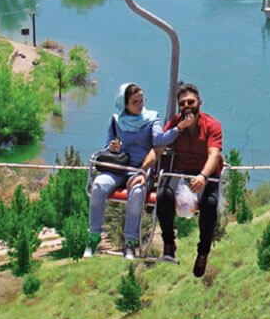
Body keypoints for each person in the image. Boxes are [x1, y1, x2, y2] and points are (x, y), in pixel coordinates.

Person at [87, 83, 170, 260]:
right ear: (125, 104)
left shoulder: (151, 119)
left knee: (137, 191)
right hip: (119, 167)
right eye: (135, 102)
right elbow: (107, 147)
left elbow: (159, 141)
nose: (140, 105)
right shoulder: (117, 121)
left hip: (140, 170)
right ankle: (94, 236)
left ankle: (130, 242)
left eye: (142, 100)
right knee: (98, 186)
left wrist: (179, 129)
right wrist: (112, 147)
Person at [155, 82, 224, 277]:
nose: (187, 106)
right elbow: (161, 145)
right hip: (181, 170)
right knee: (163, 195)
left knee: (209, 204)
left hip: (205, 172)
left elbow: (214, 154)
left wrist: (203, 175)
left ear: (199, 102)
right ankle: (169, 242)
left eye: (190, 102)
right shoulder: (176, 124)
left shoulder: (212, 125)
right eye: (183, 103)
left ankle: (203, 252)